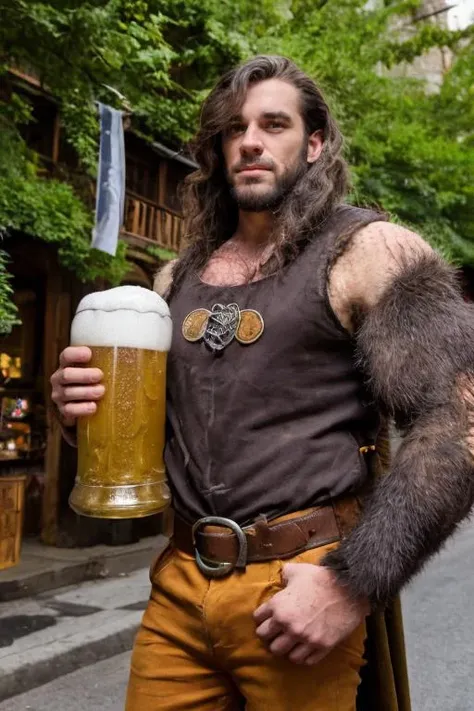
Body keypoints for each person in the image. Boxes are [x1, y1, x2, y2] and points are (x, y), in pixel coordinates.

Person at [50, 55, 474, 711]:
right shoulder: (171, 280)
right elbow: (159, 435)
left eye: (273, 123)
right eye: (233, 128)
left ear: (313, 143)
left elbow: (459, 423)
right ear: (218, 150)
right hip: (180, 587)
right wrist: (77, 415)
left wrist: (351, 583)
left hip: (300, 584)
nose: (249, 139)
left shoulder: (371, 250)